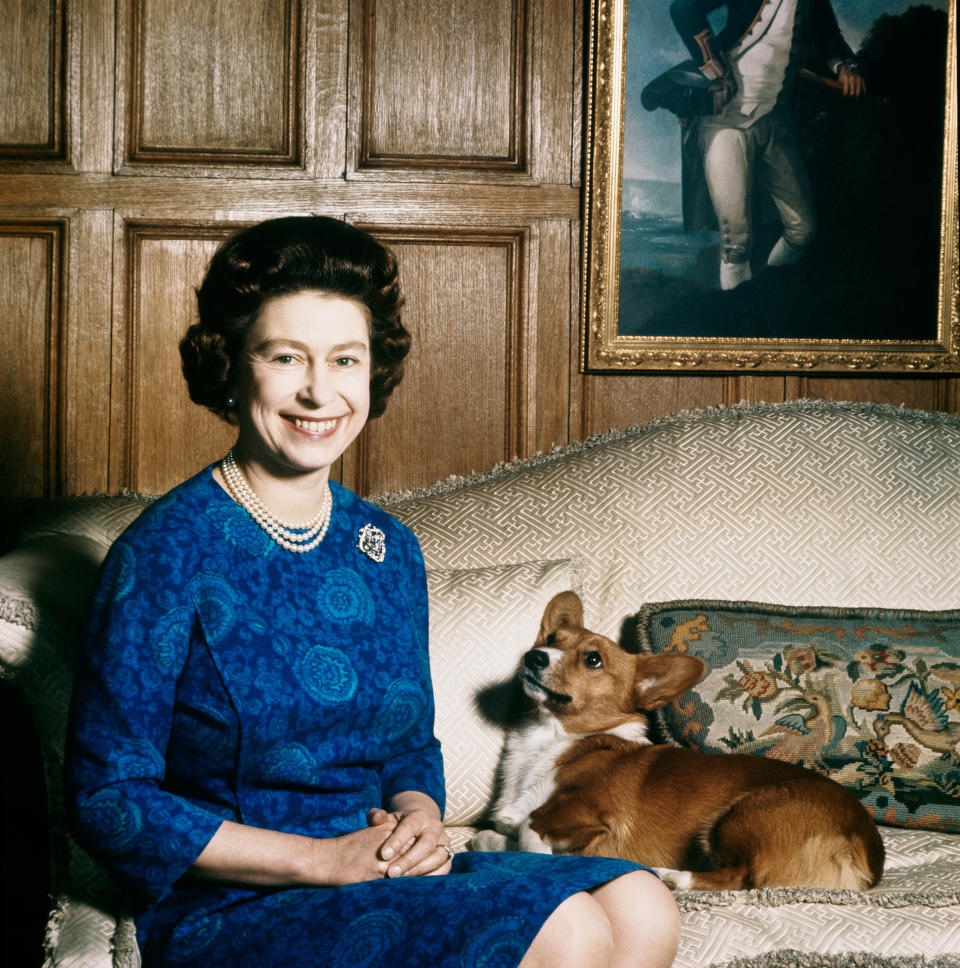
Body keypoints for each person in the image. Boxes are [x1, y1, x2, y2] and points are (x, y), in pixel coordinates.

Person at [66, 215, 681, 968]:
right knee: (571, 929)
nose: (319, 392)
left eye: (345, 360)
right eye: (286, 356)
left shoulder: (387, 548)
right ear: (231, 365)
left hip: (379, 868)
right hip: (239, 901)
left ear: (372, 373)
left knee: (641, 903)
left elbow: (408, 747)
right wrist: (318, 862)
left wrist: (420, 816)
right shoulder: (163, 553)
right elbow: (109, 800)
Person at [669, 0, 867, 289]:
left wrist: (844, 66)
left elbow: (827, 38)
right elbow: (683, 9)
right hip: (726, 119)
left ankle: (766, 290)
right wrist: (717, 71)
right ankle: (737, 319)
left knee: (803, 232)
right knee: (736, 244)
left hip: (776, 120)